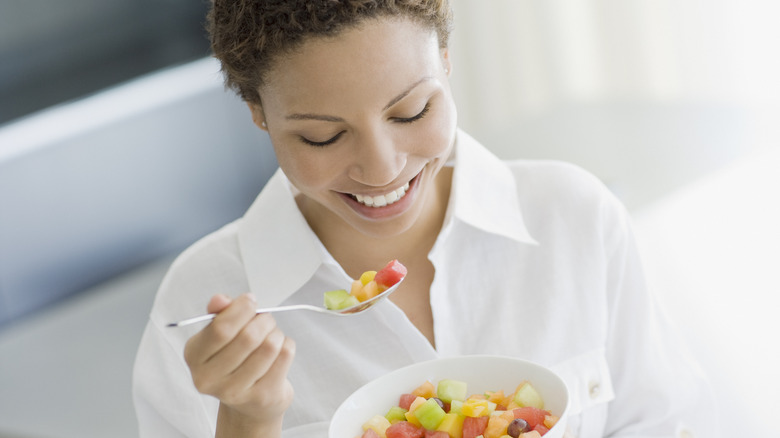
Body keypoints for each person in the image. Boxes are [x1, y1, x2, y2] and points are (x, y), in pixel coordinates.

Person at [132, 1, 716, 437]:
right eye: (323, 135)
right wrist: (247, 421)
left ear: (445, 61)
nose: (381, 169)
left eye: (412, 111)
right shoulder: (200, 301)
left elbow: (671, 421)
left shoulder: (573, 218)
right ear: (259, 114)